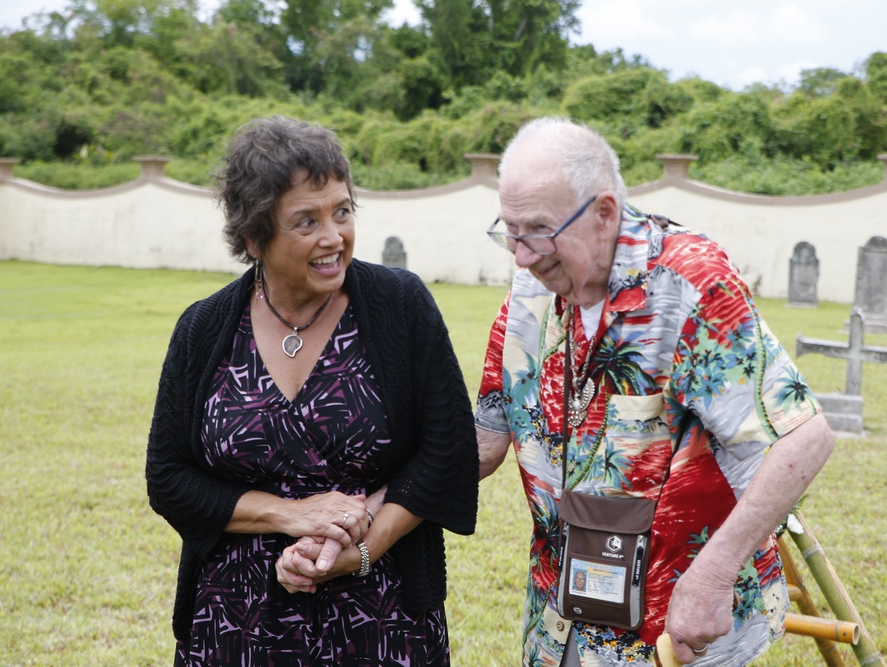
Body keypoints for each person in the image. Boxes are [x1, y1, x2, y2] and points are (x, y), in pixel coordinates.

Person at [474, 117, 835, 667]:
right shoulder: (531, 288)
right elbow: (484, 439)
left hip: (676, 626)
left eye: (538, 231)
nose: (521, 255)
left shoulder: (689, 284)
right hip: (559, 614)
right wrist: (357, 501)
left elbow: (804, 438)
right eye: (511, 231)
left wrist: (713, 577)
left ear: (604, 213)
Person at [145, 115, 479, 666]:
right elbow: (169, 478)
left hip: (382, 617)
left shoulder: (400, 305)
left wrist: (362, 550)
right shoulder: (203, 329)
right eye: (306, 221)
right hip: (234, 623)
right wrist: (291, 514)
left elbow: (446, 452)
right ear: (255, 237)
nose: (333, 237)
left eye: (342, 211)